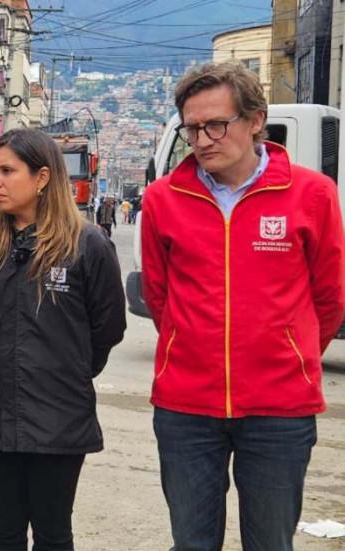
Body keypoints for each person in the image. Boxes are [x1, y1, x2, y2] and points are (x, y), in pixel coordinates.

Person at [142, 61, 345, 550]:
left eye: (216, 124)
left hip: (280, 409)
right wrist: (190, 347)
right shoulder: (163, 199)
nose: (202, 140)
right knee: (191, 543)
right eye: (192, 129)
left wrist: (290, 353)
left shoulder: (312, 194)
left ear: (256, 120)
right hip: (186, 407)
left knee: (271, 543)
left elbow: (330, 297)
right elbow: (159, 296)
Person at [0, 128, 126, 550]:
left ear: (43, 177)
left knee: (53, 534)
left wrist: (67, 371)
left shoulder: (87, 244)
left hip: (58, 417)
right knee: (2, 532)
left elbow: (107, 328)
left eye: (7, 171)